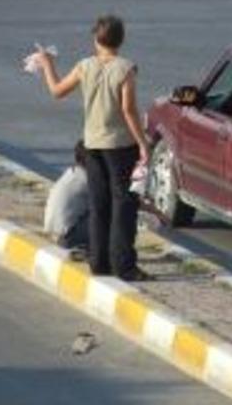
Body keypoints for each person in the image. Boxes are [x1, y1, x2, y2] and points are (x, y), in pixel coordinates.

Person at [35, 14, 152, 281]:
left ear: (96, 39)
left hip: (92, 145)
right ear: (120, 40)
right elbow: (128, 109)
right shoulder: (126, 68)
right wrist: (143, 144)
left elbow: (57, 91)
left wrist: (46, 64)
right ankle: (124, 265)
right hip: (121, 145)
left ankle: (99, 262)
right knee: (123, 204)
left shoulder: (84, 66)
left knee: (99, 203)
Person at [44, 141, 89, 251]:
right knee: (107, 213)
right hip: (68, 237)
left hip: (53, 231)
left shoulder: (71, 173)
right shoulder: (87, 179)